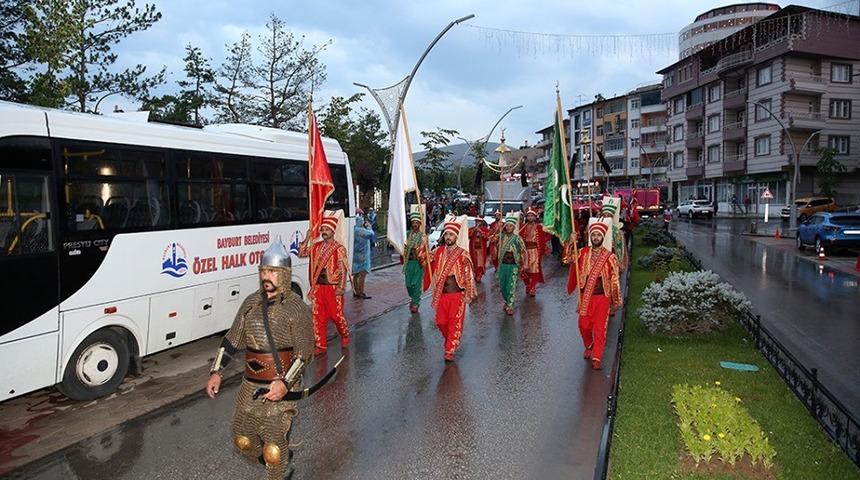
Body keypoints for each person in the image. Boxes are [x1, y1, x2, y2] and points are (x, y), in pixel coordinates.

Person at [205, 237, 314, 480]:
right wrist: (216, 372)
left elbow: (305, 351)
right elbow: (232, 339)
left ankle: (279, 467)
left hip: (281, 383)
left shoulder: (296, 308)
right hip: (251, 384)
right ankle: (279, 458)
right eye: (264, 270)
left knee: (273, 450)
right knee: (243, 441)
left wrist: (285, 383)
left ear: (285, 274)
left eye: (273, 272)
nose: (267, 276)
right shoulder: (250, 303)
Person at [564, 220, 622, 370]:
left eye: (598, 235)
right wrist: (571, 243)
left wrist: (616, 300)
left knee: (600, 327)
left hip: (603, 297)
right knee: (583, 325)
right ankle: (589, 344)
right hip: (586, 296)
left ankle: (597, 357)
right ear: (590, 237)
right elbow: (566, 259)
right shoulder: (582, 252)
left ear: (603, 237)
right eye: (593, 235)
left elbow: (614, 279)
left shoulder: (610, 257)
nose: (596, 237)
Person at [298, 210, 349, 355]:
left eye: (327, 229)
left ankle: (344, 334)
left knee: (336, 316)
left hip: (333, 289)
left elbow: (342, 269)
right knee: (318, 316)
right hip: (319, 287)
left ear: (333, 231)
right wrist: (307, 238)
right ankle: (321, 345)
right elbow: (301, 253)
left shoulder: (339, 249)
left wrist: (341, 287)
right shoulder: (316, 246)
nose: (324, 232)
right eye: (323, 229)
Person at [430, 215, 476, 361]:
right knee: (440, 322)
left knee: (454, 322)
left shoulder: (463, 254)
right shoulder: (438, 251)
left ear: (456, 236)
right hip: (442, 294)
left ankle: (450, 349)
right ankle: (450, 340)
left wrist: (469, 293)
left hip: (457, 294)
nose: (448, 237)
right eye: (447, 234)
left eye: (451, 234)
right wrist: (423, 245)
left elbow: (469, 275)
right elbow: (425, 258)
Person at [493, 214, 526, 315]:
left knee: (511, 286)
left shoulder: (517, 238)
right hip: (503, 265)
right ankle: (507, 301)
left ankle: (510, 305)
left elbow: (523, 251)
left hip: (513, 265)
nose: (508, 228)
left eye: (510, 226)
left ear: (514, 227)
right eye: (507, 226)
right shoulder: (501, 236)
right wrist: (497, 230)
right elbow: (491, 239)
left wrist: (524, 264)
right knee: (503, 286)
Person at [403, 207, 429, 313]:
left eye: (417, 222)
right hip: (408, 263)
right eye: (413, 222)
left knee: (416, 284)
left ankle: (415, 303)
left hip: (417, 263)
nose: (415, 224)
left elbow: (424, 251)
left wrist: (421, 245)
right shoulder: (407, 234)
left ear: (419, 224)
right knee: (408, 285)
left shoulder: (423, 236)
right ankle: (412, 298)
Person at [519, 208, 547, 297]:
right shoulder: (522, 227)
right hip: (525, 251)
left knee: (534, 269)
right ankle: (528, 284)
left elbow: (543, 239)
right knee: (524, 270)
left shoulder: (539, 227)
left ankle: (532, 287)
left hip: (535, 250)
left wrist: (543, 249)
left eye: (532, 216)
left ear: (535, 217)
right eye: (528, 216)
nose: (530, 218)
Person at [352, 214, 375, 300]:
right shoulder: (361, 231)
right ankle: (360, 292)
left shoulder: (354, 230)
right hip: (363, 256)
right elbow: (371, 234)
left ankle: (355, 291)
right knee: (362, 275)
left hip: (355, 254)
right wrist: (369, 227)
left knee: (356, 275)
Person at [468, 217, 490, 282]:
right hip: (473, 249)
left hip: (481, 250)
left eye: (479, 222)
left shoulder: (484, 229)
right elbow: (469, 235)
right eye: (476, 221)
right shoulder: (472, 229)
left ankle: (479, 275)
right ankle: (475, 274)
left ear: (481, 222)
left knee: (480, 264)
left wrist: (481, 232)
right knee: (474, 262)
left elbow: (487, 237)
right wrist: (474, 230)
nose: (477, 223)